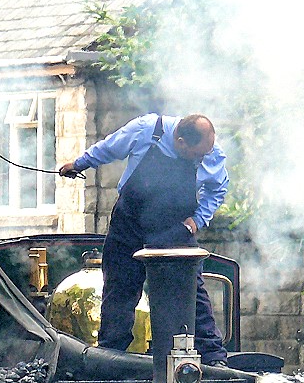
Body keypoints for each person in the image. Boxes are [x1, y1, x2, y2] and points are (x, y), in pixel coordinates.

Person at [59, 113, 228, 364]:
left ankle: (213, 356)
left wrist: (197, 220)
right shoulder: (147, 129)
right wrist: (79, 164)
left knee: (190, 290)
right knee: (119, 290)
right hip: (130, 224)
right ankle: (111, 357)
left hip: (174, 228)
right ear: (180, 142)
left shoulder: (210, 152)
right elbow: (109, 148)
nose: (204, 159)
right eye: (198, 155)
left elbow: (218, 188)